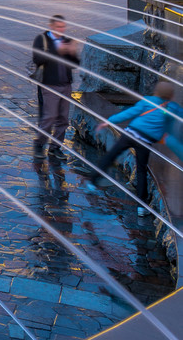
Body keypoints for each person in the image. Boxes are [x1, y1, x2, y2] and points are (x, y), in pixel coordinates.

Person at [94, 82, 183, 212]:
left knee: (111, 155)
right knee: (141, 170)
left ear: (156, 92)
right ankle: (141, 206)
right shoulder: (171, 107)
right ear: (171, 95)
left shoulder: (147, 101)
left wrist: (109, 122)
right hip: (144, 141)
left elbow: (128, 114)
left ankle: (93, 180)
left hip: (130, 134)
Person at [32, 15, 80, 157]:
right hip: (50, 84)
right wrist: (57, 51)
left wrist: (71, 53)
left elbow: (74, 64)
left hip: (65, 84)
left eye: (63, 26)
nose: (62, 29)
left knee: (63, 119)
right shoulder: (42, 39)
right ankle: (39, 144)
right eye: (59, 27)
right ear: (51, 26)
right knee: (50, 117)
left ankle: (55, 147)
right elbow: (37, 59)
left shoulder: (67, 41)